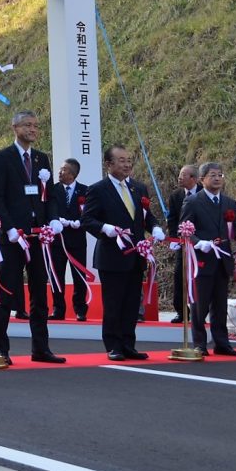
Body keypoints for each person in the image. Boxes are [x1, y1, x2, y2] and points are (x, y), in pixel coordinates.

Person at [0, 111, 66, 364]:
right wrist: (9, 228)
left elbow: (50, 194)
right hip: (12, 238)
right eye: (27, 125)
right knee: (6, 292)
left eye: (36, 125)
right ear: (15, 127)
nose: (33, 129)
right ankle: (1, 348)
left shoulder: (42, 159)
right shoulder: (2, 158)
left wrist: (52, 218)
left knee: (39, 293)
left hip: (38, 237)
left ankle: (41, 348)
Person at [81, 145, 165, 361]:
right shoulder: (98, 189)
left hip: (136, 255)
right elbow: (87, 220)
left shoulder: (139, 188)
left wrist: (154, 227)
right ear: (108, 164)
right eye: (121, 160)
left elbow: (146, 215)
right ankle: (113, 345)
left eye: (129, 160)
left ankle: (129, 344)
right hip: (112, 256)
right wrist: (106, 229)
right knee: (114, 303)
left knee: (130, 304)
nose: (127, 164)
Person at [179, 162, 236, 356]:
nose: (217, 178)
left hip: (223, 260)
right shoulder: (193, 202)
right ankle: (200, 343)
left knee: (220, 304)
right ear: (202, 179)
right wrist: (198, 242)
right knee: (200, 304)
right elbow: (184, 229)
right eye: (212, 175)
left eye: (220, 175)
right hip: (202, 259)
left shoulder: (228, 202)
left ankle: (222, 342)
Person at [50, 158, 88, 321]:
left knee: (79, 276)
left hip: (77, 240)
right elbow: (48, 210)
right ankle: (58, 309)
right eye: (60, 169)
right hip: (57, 241)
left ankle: (80, 309)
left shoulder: (85, 191)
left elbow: (91, 213)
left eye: (64, 169)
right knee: (56, 276)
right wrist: (56, 220)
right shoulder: (52, 190)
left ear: (72, 174)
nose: (60, 172)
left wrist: (80, 222)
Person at [167, 164, 201, 322]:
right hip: (182, 242)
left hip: (202, 244)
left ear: (193, 178)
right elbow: (172, 219)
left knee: (200, 277)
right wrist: (174, 238)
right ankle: (181, 311)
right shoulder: (175, 195)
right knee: (179, 275)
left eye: (183, 175)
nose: (179, 178)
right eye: (179, 174)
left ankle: (200, 311)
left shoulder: (204, 193)